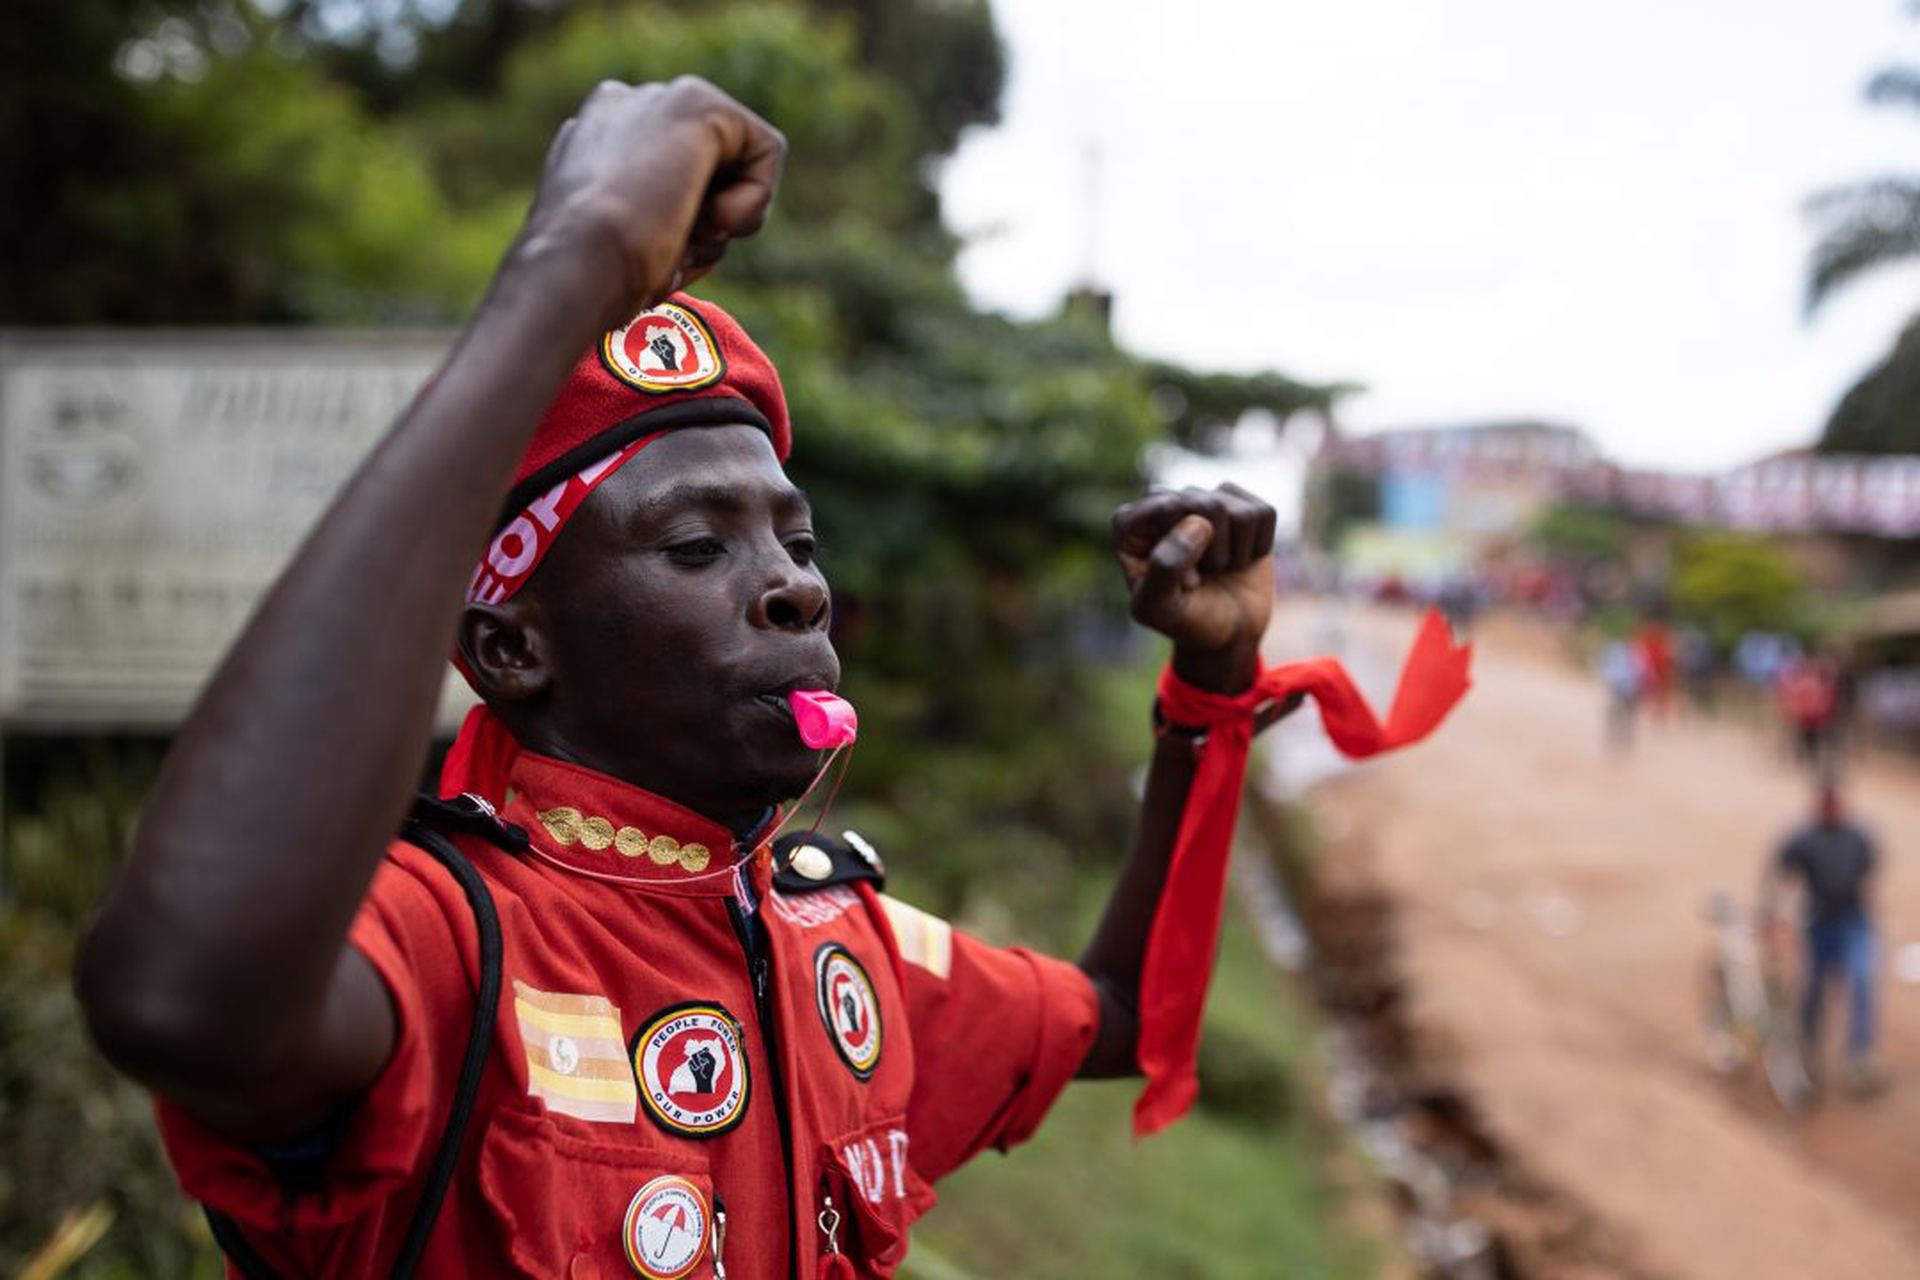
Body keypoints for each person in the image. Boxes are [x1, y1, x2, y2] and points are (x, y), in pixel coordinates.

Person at [72, 79, 1290, 1277]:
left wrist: (1211, 680)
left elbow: (1129, 1012)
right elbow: (181, 993)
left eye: (798, 543)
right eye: (697, 546)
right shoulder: (447, 952)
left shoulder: (838, 943)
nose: (797, 588)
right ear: (509, 646)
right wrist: (572, 263)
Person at [1765, 781, 1882, 1097]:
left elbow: (1869, 867)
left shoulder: (1858, 838)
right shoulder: (1803, 839)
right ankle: (1810, 1050)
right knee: (1813, 990)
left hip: (1853, 923)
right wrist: (1774, 917)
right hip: (1818, 926)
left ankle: (1858, 1057)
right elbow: (1776, 874)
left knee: (1861, 980)